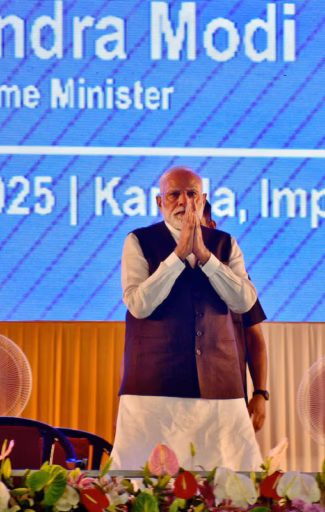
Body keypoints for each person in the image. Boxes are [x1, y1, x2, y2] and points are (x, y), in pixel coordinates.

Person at [112, 166, 263, 471]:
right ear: (160, 202)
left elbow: (244, 301)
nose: (183, 201)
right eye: (174, 195)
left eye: (192, 194)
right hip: (153, 391)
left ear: (202, 199)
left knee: (226, 484)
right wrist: (177, 256)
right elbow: (138, 305)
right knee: (148, 484)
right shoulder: (138, 240)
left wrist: (206, 257)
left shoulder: (225, 243)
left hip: (220, 390)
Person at [200, 201, 269, 432]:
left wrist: (260, 393)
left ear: (211, 226)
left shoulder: (236, 277)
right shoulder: (163, 272)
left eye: (195, 224)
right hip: (175, 402)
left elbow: (254, 337)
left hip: (228, 396)